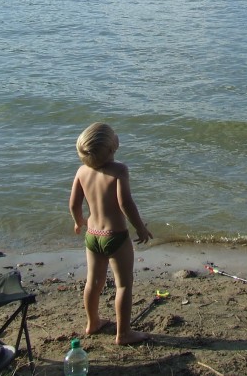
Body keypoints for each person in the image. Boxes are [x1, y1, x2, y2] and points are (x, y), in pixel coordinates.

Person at [69, 122, 153, 345]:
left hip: (93, 235)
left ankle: (92, 322)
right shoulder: (119, 170)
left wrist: (79, 222)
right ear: (111, 147)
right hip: (115, 236)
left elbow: (74, 204)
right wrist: (140, 227)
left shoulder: (82, 171)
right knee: (123, 284)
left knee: (93, 283)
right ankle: (123, 333)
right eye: (114, 135)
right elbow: (125, 203)